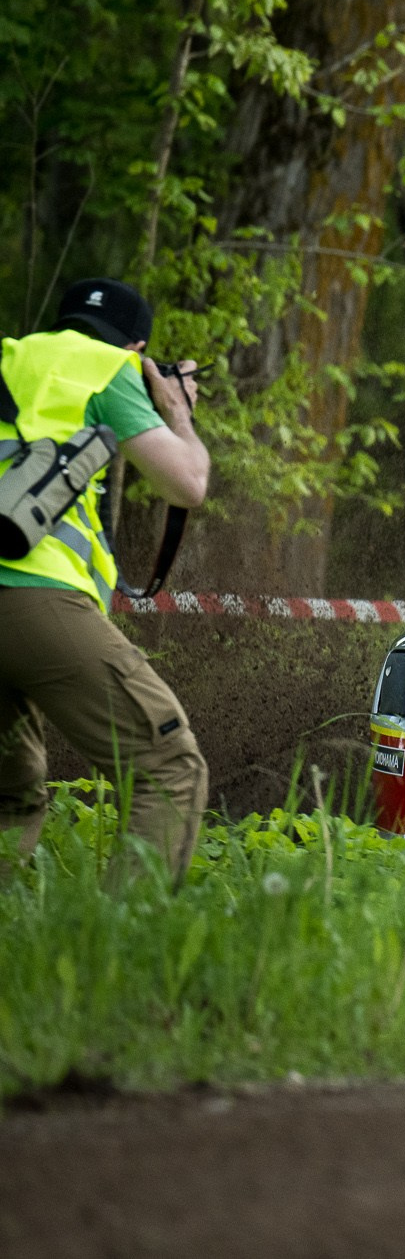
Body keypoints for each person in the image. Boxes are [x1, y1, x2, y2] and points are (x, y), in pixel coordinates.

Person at [0, 278, 212, 878]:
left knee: (9, 793)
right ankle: (123, 949)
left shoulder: (9, 355)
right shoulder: (109, 368)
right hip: (36, 604)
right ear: (138, 346)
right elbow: (186, 484)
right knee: (170, 767)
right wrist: (177, 413)